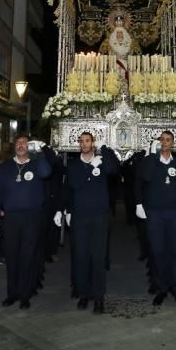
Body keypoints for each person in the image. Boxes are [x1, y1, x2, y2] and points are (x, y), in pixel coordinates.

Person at [0, 134, 52, 310]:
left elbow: (47, 172)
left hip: (32, 219)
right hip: (10, 219)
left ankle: (25, 295)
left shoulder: (36, 164)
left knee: (27, 258)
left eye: (24, 143)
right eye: (18, 143)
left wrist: (39, 152)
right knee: (12, 257)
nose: (20, 145)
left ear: (29, 146)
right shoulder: (6, 167)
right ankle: (12, 294)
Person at [62, 132, 119, 314]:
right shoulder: (73, 165)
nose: (84, 144)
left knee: (98, 258)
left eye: (88, 141)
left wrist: (104, 149)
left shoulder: (102, 161)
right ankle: (84, 294)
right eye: (82, 141)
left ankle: (98, 297)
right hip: (80, 217)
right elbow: (75, 185)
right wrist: (67, 211)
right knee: (81, 257)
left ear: (92, 143)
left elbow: (114, 169)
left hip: (99, 217)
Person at [135, 130, 176, 308]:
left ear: (173, 143)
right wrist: (139, 204)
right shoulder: (150, 162)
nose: (165, 142)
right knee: (158, 253)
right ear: (159, 142)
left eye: (168, 140)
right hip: (155, 214)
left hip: (175, 214)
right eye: (162, 140)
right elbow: (144, 179)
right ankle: (161, 289)